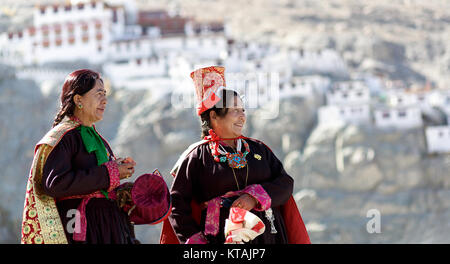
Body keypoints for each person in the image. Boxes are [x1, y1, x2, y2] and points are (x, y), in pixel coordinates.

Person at [160, 66, 310, 244]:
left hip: (268, 237)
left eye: (243, 110)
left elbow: (285, 183)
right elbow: (176, 205)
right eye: (235, 110)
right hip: (219, 240)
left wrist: (254, 197)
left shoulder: (258, 150)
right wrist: (196, 242)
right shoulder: (196, 157)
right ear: (214, 116)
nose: (242, 117)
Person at [21, 69, 138, 244]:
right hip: (79, 229)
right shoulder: (63, 137)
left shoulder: (98, 139)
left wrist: (120, 189)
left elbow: (98, 182)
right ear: (78, 100)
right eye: (98, 94)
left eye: (105, 94)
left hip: (108, 229)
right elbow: (55, 183)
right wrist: (110, 173)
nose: (105, 100)